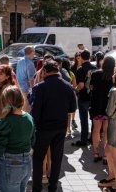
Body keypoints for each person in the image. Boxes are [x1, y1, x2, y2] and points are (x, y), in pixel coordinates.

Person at [30, 60, 77, 192]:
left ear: (44, 71)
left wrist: (34, 128)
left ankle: (37, 188)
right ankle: (53, 187)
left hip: (44, 128)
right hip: (60, 128)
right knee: (57, 159)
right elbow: (73, 107)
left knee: (38, 159)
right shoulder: (67, 86)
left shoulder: (40, 87)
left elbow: (36, 112)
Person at [0, 86, 35, 192]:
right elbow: (33, 140)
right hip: (27, 163)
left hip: (10, 164)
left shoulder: (4, 122)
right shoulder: (29, 118)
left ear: (5, 102)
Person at [90, 56, 115, 163]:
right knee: (106, 132)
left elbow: (91, 88)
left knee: (96, 130)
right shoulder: (114, 76)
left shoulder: (95, 74)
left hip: (96, 105)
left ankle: (96, 153)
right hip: (109, 107)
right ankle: (105, 155)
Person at [72, 49, 97, 147]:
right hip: (93, 97)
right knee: (94, 119)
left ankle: (83, 140)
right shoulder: (95, 68)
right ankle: (92, 138)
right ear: (90, 57)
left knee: (84, 119)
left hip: (83, 97)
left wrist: (75, 89)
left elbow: (81, 85)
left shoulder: (80, 69)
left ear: (81, 58)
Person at [16, 46, 36, 111]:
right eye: (34, 51)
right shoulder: (30, 63)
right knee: (27, 107)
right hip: (26, 89)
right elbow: (31, 79)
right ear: (31, 52)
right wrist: (33, 90)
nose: (35, 53)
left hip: (19, 87)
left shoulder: (20, 61)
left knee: (22, 106)